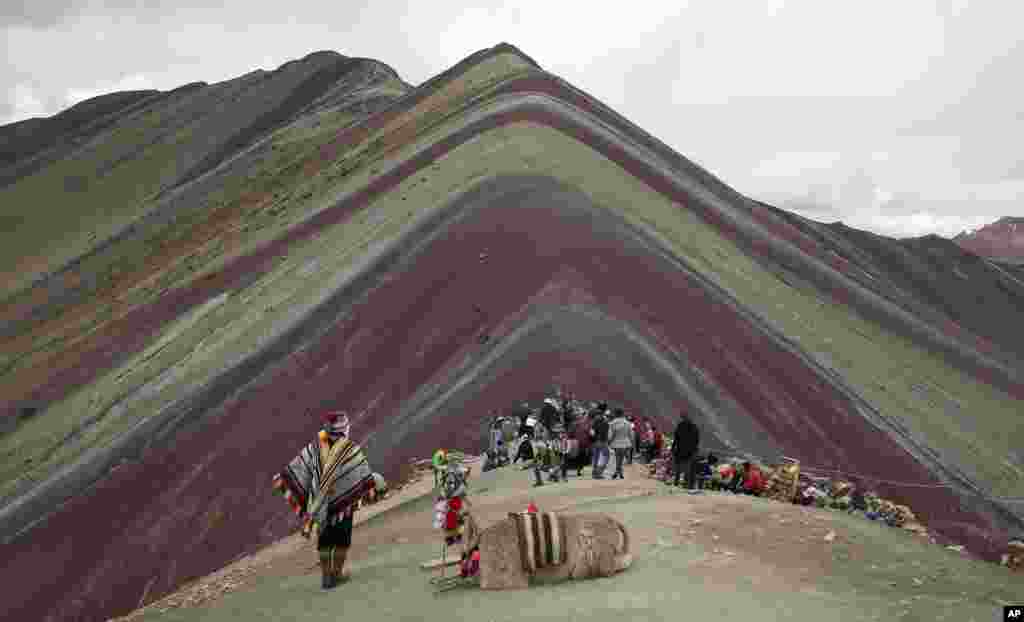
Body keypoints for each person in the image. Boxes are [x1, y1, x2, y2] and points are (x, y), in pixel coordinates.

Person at [272, 412, 374, 589]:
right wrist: (371, 487)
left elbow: (300, 467)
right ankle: (337, 573)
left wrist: (284, 478)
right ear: (344, 428)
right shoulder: (350, 449)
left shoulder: (315, 447)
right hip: (344, 506)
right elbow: (361, 472)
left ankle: (327, 577)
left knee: (325, 541)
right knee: (342, 540)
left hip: (320, 505)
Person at [672, 412, 701, 491]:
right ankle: (688, 485)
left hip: (680, 450)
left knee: (678, 468)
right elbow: (697, 440)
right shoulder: (694, 427)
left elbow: (676, 438)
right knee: (689, 469)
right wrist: (694, 449)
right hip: (691, 451)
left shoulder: (680, 426)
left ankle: (676, 483)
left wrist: (673, 448)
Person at [608, 408, 633, 479]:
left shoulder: (612, 423)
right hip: (625, 443)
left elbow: (610, 435)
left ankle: (617, 472)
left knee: (617, 458)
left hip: (616, 442)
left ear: (615, 414)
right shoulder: (627, 423)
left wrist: (609, 442)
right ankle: (620, 472)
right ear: (622, 414)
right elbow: (631, 434)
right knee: (621, 459)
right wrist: (632, 444)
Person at [590, 409, 610, 479]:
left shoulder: (593, 423)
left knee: (595, 458)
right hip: (602, 441)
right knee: (606, 457)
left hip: (595, 442)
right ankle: (599, 472)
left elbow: (591, 433)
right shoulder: (605, 422)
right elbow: (607, 433)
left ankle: (595, 472)